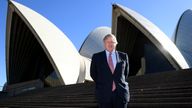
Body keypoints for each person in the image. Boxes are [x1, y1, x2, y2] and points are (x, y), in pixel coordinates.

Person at [90, 34, 130, 108]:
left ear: (116, 43)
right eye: (108, 42)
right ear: (104, 43)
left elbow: (125, 74)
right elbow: (93, 74)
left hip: (121, 94)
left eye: (113, 42)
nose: (110, 44)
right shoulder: (96, 57)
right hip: (103, 94)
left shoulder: (124, 56)